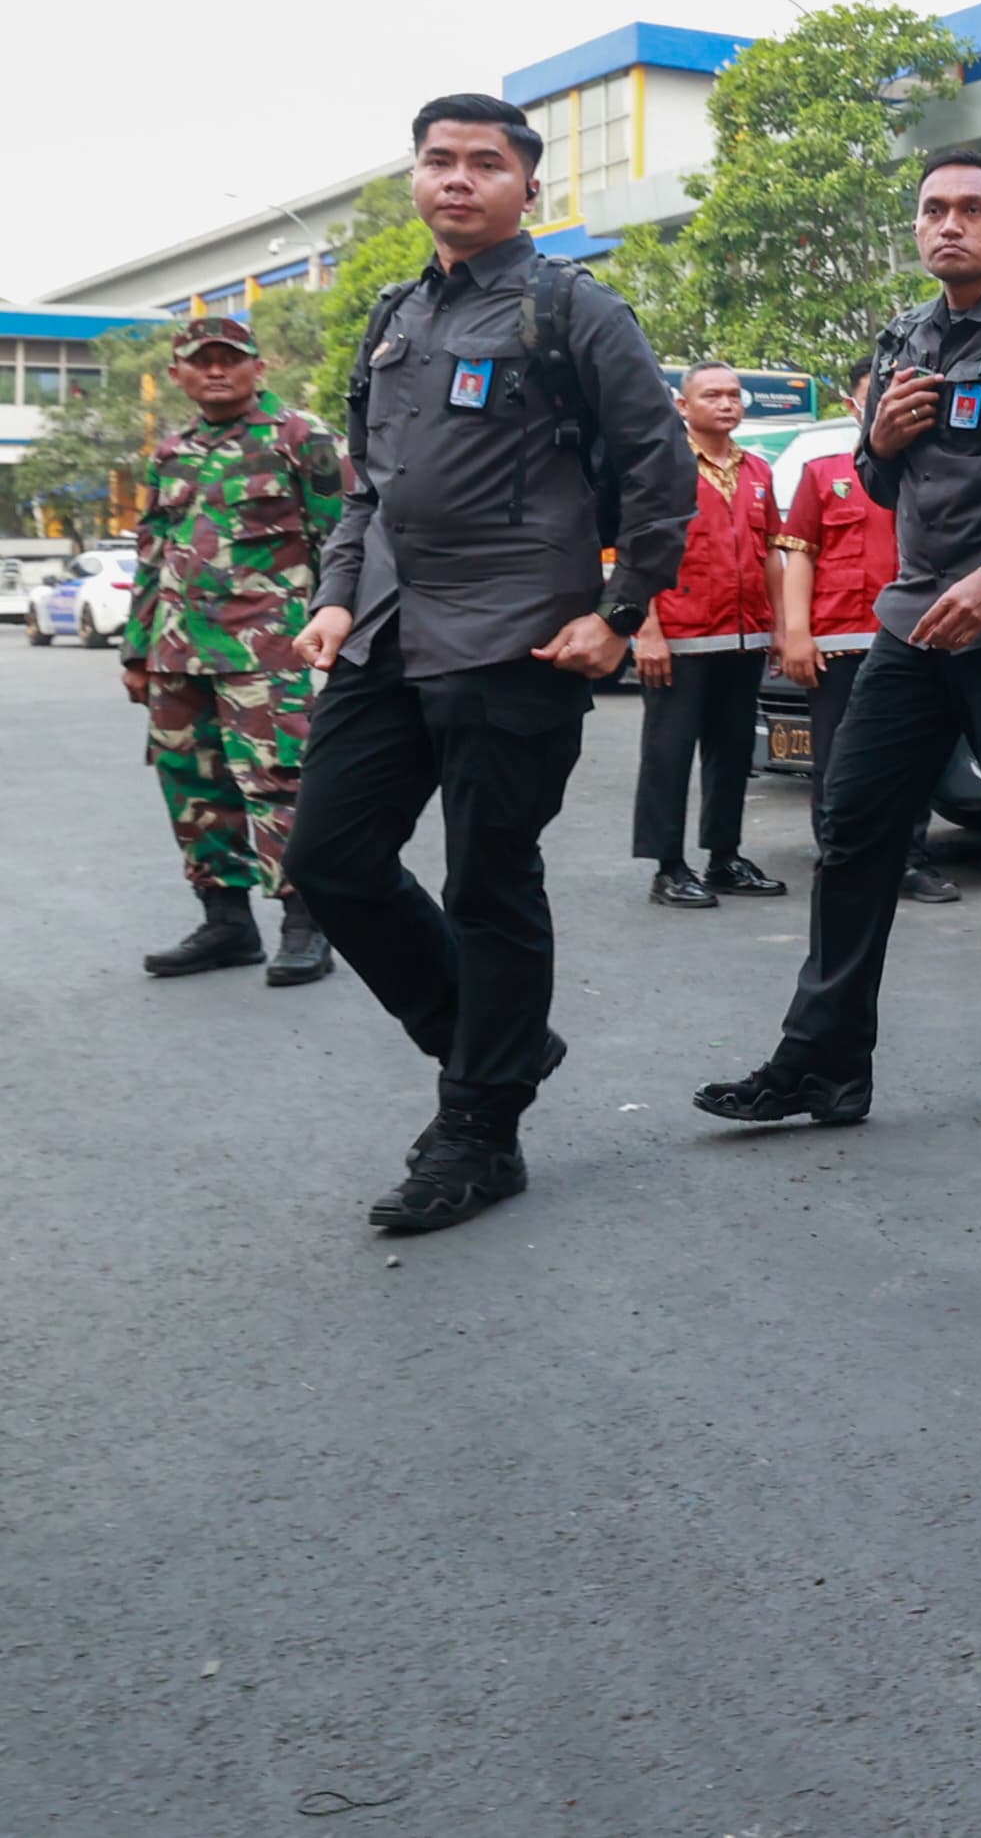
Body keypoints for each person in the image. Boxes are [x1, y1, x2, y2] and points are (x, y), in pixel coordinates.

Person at [285, 94, 697, 1235]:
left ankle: (479, 1128)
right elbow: (365, 490)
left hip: (518, 636)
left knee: (488, 877)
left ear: (527, 185)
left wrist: (621, 612)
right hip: (385, 631)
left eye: (483, 163)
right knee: (328, 857)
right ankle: (493, 1036)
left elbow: (663, 471)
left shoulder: (572, 309)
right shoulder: (392, 315)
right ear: (415, 179)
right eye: (437, 161)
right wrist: (331, 597)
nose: (456, 179)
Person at [692, 153, 981, 1133]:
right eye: (933, 210)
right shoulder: (905, 338)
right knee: (852, 831)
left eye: (973, 208)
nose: (950, 224)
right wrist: (878, 441)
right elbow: (881, 493)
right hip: (914, 623)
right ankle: (824, 1066)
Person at [121, 316, 349, 986]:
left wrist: (345, 638)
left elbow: (345, 543)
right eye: (201, 359)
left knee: (282, 783)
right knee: (193, 785)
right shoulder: (170, 452)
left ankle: (307, 924)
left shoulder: (304, 440)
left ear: (259, 366)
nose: (216, 370)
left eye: (230, 358)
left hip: (270, 654)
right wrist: (137, 652)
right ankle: (225, 922)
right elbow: (151, 554)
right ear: (178, 374)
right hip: (176, 654)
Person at [771, 368, 958, 907]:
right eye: (871, 401)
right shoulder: (822, 473)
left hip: (911, 636)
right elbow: (797, 554)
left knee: (914, 756)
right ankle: (841, 860)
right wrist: (798, 634)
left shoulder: (930, 475)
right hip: (837, 643)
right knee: (836, 760)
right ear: (857, 409)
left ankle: (912, 859)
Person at [630, 362, 789, 910]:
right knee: (668, 754)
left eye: (733, 395)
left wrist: (783, 628)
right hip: (679, 638)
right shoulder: (663, 470)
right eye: (711, 395)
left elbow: (770, 552)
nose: (726, 404)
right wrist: (645, 629)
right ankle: (667, 868)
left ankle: (724, 857)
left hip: (744, 637)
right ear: (683, 406)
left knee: (732, 751)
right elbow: (640, 555)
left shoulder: (759, 472)